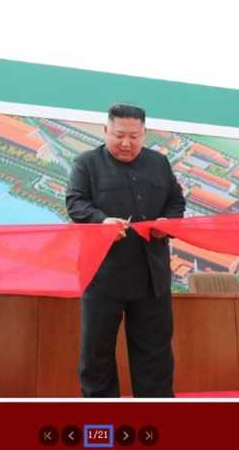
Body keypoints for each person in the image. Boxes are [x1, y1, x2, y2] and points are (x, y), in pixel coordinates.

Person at [66, 104, 186, 397]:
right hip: (102, 275)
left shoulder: (159, 163)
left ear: (144, 133)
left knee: (155, 353)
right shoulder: (86, 163)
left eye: (134, 136)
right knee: (97, 354)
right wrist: (101, 221)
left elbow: (176, 201)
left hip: (151, 277)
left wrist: (167, 222)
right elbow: (75, 203)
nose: (126, 143)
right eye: (119, 135)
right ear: (106, 130)